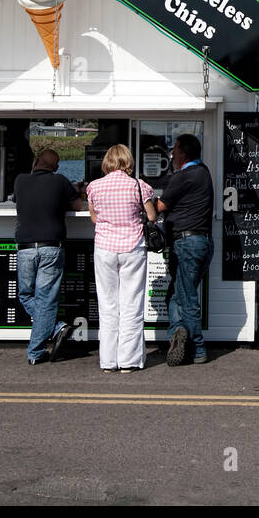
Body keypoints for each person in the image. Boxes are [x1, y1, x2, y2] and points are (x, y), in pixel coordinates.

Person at [85, 144, 157, 373]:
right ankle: (129, 360)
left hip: (105, 248)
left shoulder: (94, 187)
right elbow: (152, 216)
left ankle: (107, 361)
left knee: (107, 305)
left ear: (107, 162)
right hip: (132, 247)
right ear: (128, 161)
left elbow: (95, 219)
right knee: (132, 305)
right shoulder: (139, 186)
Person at [13, 148, 86, 366]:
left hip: (25, 247)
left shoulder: (19, 180)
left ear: (35, 162)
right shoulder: (60, 181)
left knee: (26, 295)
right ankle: (53, 331)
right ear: (56, 167)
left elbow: (21, 200)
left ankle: (39, 347)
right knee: (45, 300)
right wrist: (73, 191)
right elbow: (79, 206)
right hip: (51, 247)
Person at [156, 134, 214, 366]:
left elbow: (160, 206)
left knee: (187, 297)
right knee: (176, 295)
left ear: (182, 152)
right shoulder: (204, 171)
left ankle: (198, 348)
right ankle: (177, 333)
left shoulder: (183, 176)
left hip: (186, 243)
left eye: (174, 149)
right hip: (202, 242)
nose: (171, 154)